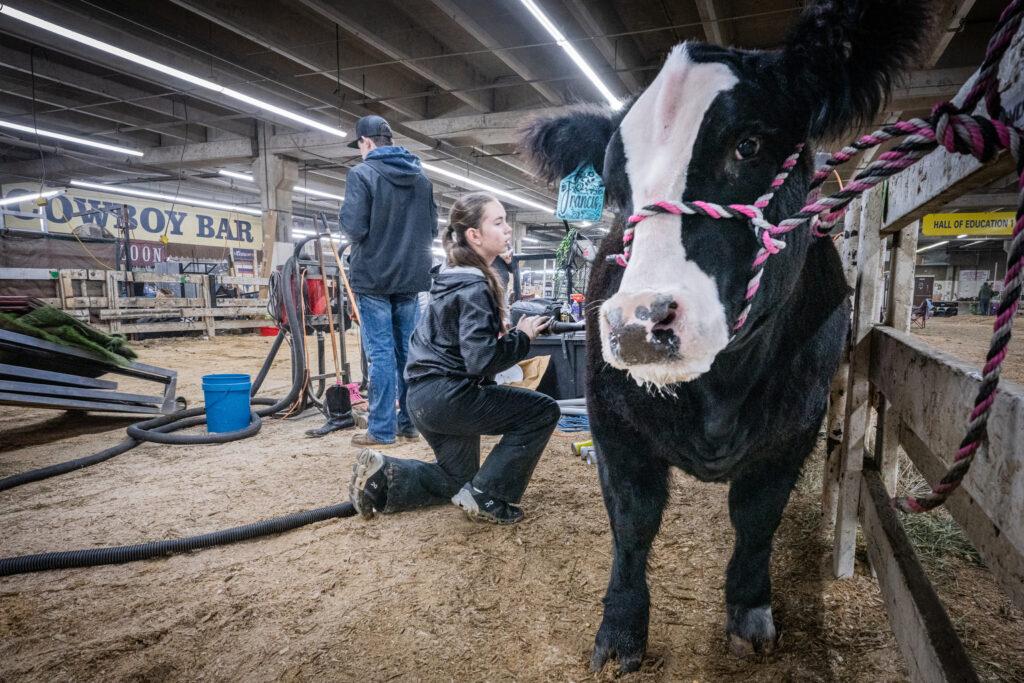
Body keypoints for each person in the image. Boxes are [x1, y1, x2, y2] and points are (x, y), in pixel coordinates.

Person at [348, 192, 559, 525]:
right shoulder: (476, 287)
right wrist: (523, 337)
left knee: (457, 479)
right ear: (474, 235)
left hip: (421, 398)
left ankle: (384, 476)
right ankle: (489, 496)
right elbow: (481, 360)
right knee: (544, 411)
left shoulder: (450, 276)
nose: (507, 230)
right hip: (449, 397)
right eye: (499, 222)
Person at [340, 115, 437, 447]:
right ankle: (409, 424)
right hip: (411, 280)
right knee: (409, 354)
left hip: (374, 280)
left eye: (359, 146)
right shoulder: (421, 179)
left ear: (366, 142)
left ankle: (381, 430)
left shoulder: (362, 174)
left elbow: (354, 228)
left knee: (380, 354)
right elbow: (433, 230)